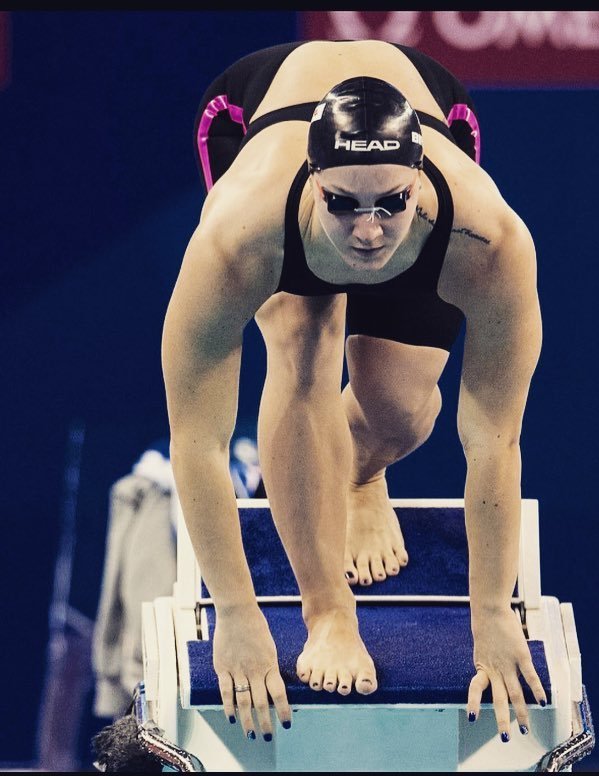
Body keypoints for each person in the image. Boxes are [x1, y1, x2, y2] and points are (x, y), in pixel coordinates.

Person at [161, 39, 545, 746]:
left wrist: (491, 614)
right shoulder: (239, 235)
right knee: (303, 344)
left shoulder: (487, 239)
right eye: (343, 204)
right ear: (313, 181)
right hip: (256, 111)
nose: (368, 232)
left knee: (398, 413)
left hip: (430, 100)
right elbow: (198, 439)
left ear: (419, 179)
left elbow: (494, 438)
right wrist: (238, 614)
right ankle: (328, 613)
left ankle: (361, 475)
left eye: (390, 203)